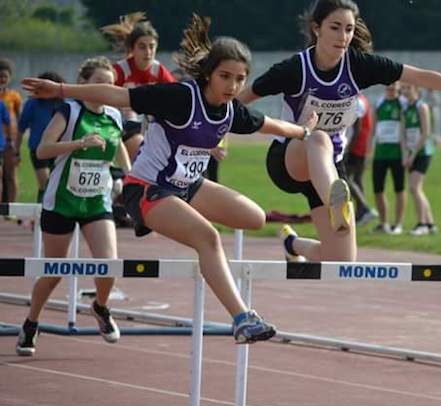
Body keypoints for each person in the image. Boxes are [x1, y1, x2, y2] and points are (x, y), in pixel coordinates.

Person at [23, 14, 317, 345]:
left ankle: (182, 222)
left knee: (254, 216)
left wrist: (305, 130)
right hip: (147, 188)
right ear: (208, 74)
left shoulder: (232, 110)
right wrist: (62, 89)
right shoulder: (179, 97)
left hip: (185, 187)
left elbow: (270, 125)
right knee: (208, 238)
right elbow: (117, 96)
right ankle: (242, 318)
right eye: (225, 77)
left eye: (240, 79)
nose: (233, 86)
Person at [238, 0, 441, 262]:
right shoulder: (293, 69)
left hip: (330, 166)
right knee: (317, 137)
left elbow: (420, 77)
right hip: (290, 160)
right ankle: (335, 200)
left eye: (349, 29)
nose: (343, 37)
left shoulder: (359, 66)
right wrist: (213, 135)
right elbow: (240, 101)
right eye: (336, 28)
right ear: (316, 28)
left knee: (340, 261)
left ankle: (293, 244)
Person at [16, 57, 132, 356]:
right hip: (62, 202)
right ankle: (31, 323)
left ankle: (100, 307)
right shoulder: (70, 110)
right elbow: (42, 149)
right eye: (100, 82)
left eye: (111, 83)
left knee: (109, 265)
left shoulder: (114, 116)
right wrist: (79, 144)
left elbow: (118, 144)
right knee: (53, 272)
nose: (107, 88)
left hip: (96, 200)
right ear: (85, 85)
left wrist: (127, 175)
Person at [101, 12, 176, 161]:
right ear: (132, 49)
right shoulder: (119, 71)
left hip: (148, 128)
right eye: (142, 47)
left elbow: (177, 98)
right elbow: (102, 98)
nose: (148, 52)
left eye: (151, 47)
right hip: (117, 127)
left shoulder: (159, 71)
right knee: (140, 146)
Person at [18, 72, 66, 203]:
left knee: (59, 184)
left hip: (60, 149)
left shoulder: (64, 104)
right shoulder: (32, 103)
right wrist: (16, 150)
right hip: (38, 149)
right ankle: (40, 212)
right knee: (45, 183)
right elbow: (21, 128)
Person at [401, 83, 437, 236]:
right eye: (403, 88)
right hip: (410, 153)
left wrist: (413, 154)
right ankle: (430, 224)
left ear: (416, 90)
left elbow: (425, 132)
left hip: (423, 152)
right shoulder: (405, 109)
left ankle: (421, 224)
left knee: (414, 188)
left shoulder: (421, 107)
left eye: (408, 88)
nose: (404, 90)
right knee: (417, 189)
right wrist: (405, 155)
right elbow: (403, 134)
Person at [372, 82, 406, 235]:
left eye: (394, 89)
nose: (391, 91)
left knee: (399, 189)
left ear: (399, 90)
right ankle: (383, 223)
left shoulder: (402, 104)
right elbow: (374, 127)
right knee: (378, 190)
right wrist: (369, 149)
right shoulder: (380, 103)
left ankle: (398, 224)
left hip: (397, 154)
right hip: (380, 154)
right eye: (388, 89)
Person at [343, 92, 376, 226]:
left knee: (345, 178)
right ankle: (360, 213)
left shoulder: (357, 102)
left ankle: (364, 208)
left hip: (357, 146)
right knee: (357, 179)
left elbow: (358, 128)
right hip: (362, 145)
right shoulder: (363, 99)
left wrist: (348, 149)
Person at [0, 58, 22, 206]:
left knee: (10, 175)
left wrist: (15, 141)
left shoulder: (14, 96)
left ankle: (12, 208)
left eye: (5, 76)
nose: (2, 79)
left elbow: (19, 117)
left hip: (10, 139)